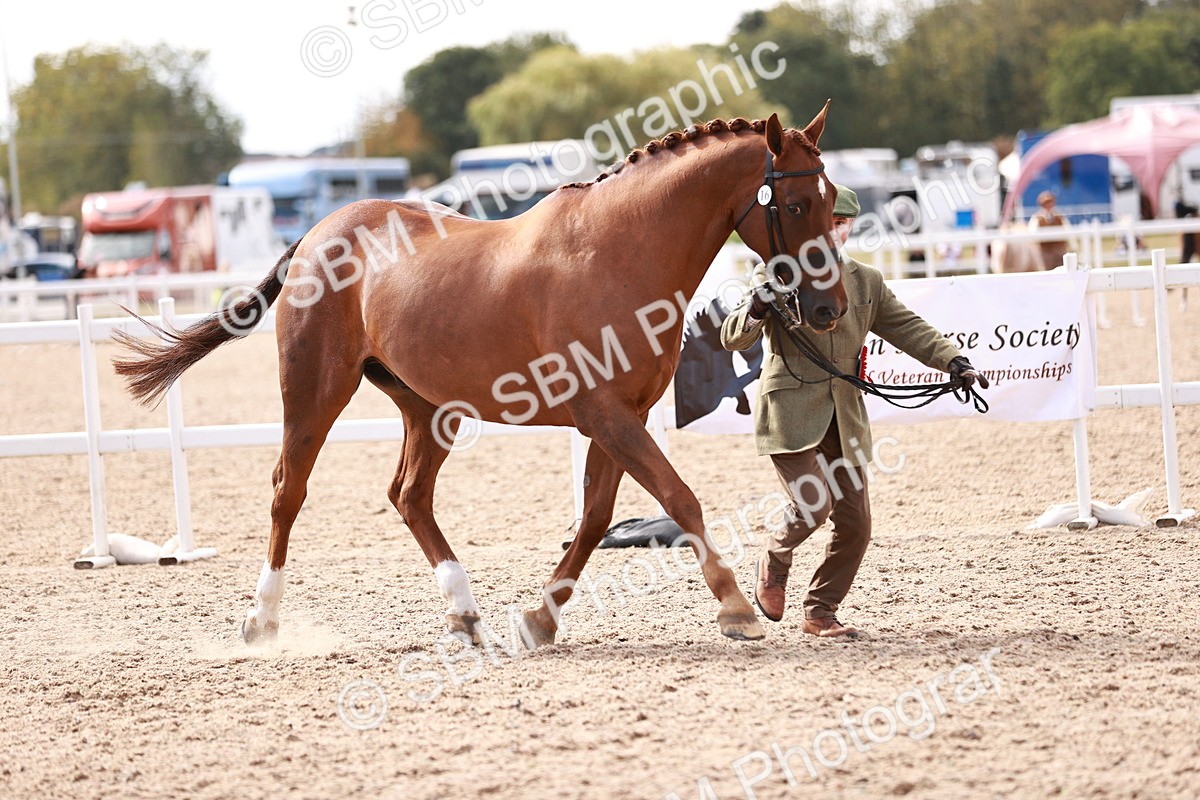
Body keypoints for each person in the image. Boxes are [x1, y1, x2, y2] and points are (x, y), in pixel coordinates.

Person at [720, 185, 987, 639]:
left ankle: (820, 611)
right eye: (829, 224)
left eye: (842, 225)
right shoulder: (776, 273)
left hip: (844, 413)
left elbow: (907, 327)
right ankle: (776, 554)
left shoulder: (866, 281)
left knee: (857, 524)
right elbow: (732, 337)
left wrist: (952, 360)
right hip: (790, 409)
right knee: (812, 503)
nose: (836, 232)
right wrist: (757, 309)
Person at [1028, 190, 1069, 269]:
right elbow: (1032, 235)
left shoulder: (1059, 216)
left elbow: (1067, 230)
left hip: (1059, 251)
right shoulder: (1037, 218)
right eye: (1045, 203)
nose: (1048, 205)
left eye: (1050, 202)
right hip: (1045, 252)